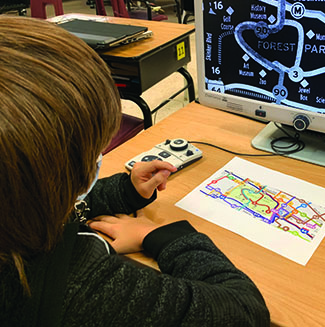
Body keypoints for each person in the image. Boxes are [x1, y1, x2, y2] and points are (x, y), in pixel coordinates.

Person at [0, 16, 270, 326]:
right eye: (95, 151)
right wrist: (159, 235)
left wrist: (124, 192)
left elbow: (28, 200)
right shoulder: (82, 290)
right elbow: (244, 312)